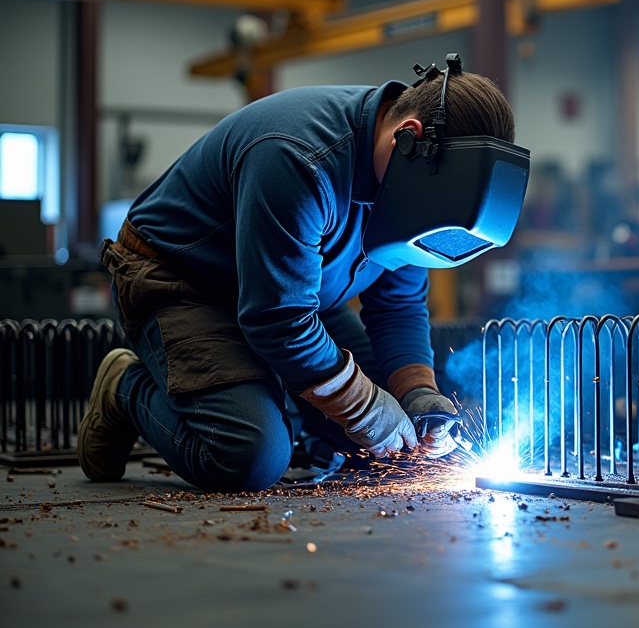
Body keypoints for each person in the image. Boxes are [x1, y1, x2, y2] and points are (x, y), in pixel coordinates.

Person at [77, 54, 524, 492]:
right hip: (183, 283)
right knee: (250, 454)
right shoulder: (298, 157)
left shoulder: (411, 177)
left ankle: (305, 425)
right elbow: (277, 319)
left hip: (295, 298)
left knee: (400, 448)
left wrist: (417, 393)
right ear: (407, 138)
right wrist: (361, 406)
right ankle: (124, 386)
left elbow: (398, 304)